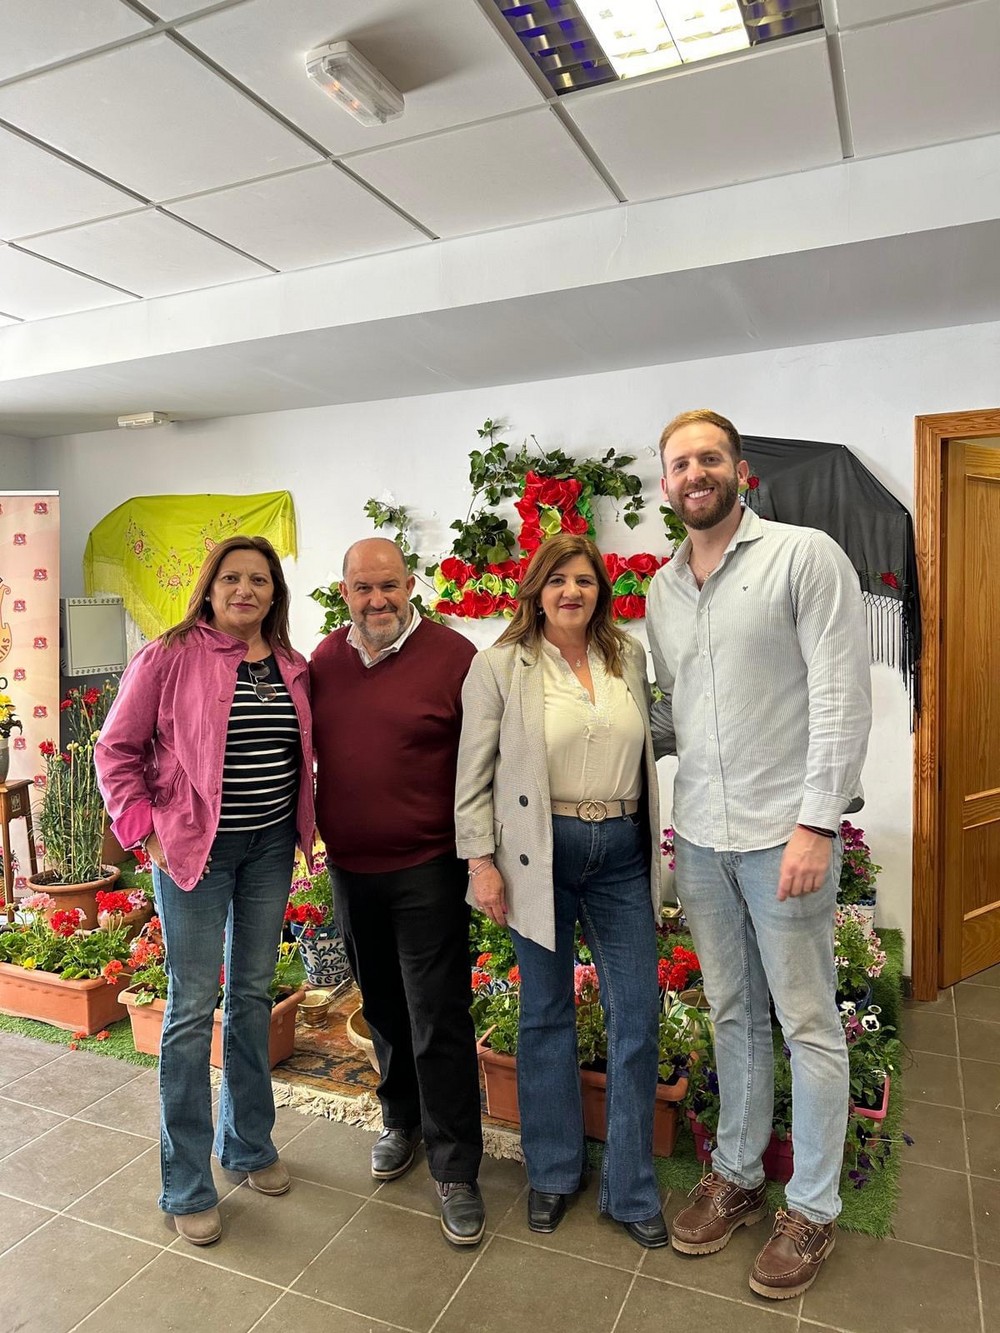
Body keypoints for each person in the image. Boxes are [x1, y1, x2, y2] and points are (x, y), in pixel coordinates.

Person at [646, 409, 872, 1298]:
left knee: (808, 1022)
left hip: (785, 833)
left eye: (709, 458)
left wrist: (818, 823)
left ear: (740, 470)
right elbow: (676, 712)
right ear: (666, 485)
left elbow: (842, 693)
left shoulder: (803, 556)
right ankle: (738, 1173)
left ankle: (812, 1209)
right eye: (679, 463)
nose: (694, 473)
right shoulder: (664, 590)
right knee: (732, 1011)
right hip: (702, 836)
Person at [95, 535, 315, 1247]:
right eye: (232, 577)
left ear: (274, 593)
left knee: (252, 994)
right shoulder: (168, 655)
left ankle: (247, 1144)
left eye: (259, 579)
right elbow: (115, 750)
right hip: (193, 849)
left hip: (269, 848)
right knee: (192, 1005)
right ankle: (186, 1180)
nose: (245, 589)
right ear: (210, 586)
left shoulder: (290, 666)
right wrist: (145, 834)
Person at [456, 533, 665, 1247]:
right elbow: (474, 775)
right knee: (545, 1013)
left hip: (622, 850)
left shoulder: (626, 657)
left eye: (583, 579)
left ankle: (632, 1189)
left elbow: (653, 740)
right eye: (558, 580)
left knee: (636, 1013)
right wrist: (480, 862)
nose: (571, 591)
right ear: (536, 591)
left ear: (601, 589)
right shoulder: (499, 667)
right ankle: (552, 1173)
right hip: (536, 853)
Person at [309, 537, 485, 1247]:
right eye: (362, 588)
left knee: (437, 1012)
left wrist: (483, 859)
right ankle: (400, 1121)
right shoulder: (323, 661)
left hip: (428, 868)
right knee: (381, 1006)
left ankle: (456, 1167)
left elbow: (484, 764)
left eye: (389, 586)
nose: (377, 600)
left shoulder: (455, 658)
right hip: (351, 867)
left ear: (411, 584)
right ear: (344, 590)